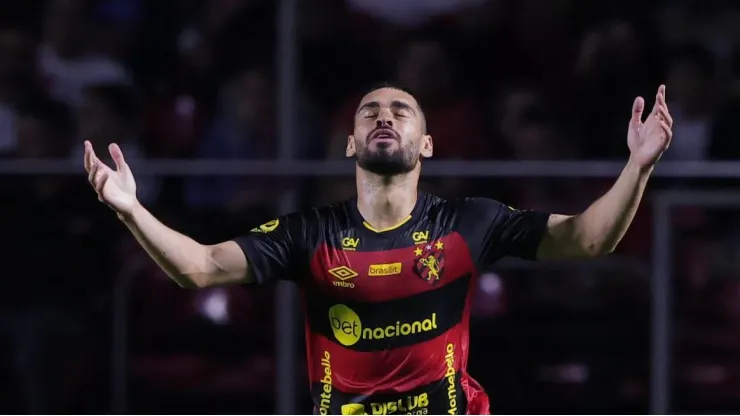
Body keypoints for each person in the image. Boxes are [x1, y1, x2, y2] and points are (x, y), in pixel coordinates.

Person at [83, 84, 674, 415]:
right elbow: (200, 267)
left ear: (428, 143)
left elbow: (589, 238)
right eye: (370, 111)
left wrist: (637, 168)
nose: (384, 117)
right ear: (350, 143)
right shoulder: (309, 233)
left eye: (401, 110)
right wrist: (132, 209)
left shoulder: (469, 223)